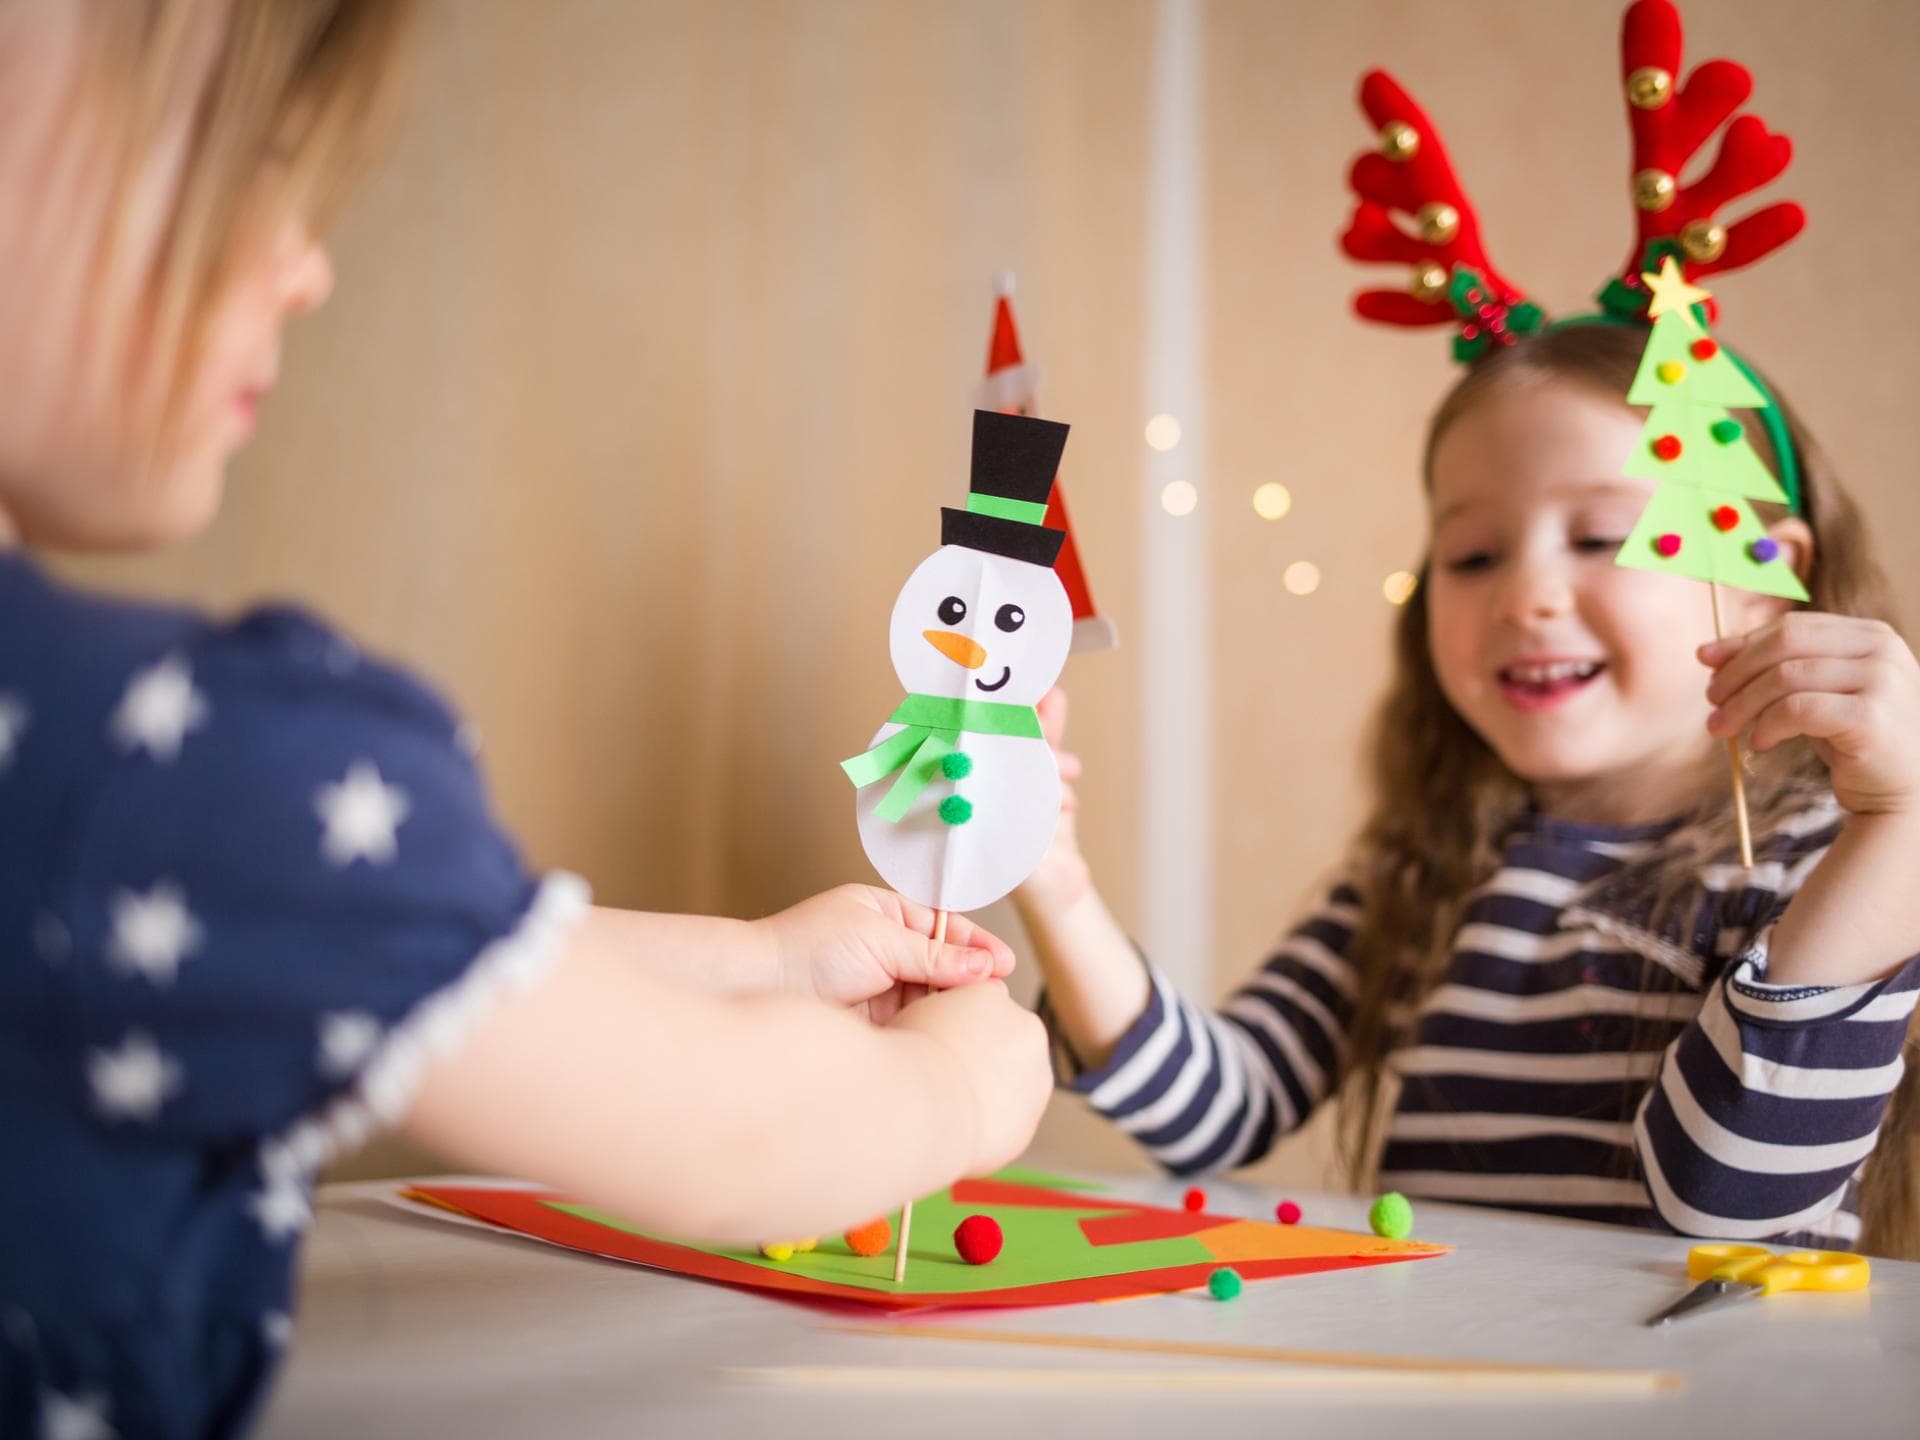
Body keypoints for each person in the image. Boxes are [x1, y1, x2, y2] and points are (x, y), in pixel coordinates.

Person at [0, 4, 1051, 1436]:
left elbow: (321, 954)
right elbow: (725, 1131)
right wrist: (963, 1088)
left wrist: (755, 964)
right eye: (248, 159)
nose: (306, 264)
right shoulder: (191, 756)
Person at [1016, 317, 1920, 1259]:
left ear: (1766, 573)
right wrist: (1055, 882)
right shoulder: (1421, 873)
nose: (1524, 595)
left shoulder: (1831, 868)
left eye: (1603, 536)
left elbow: (1729, 1200)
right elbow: (1219, 1113)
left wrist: (1900, 830)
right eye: (1474, 555)